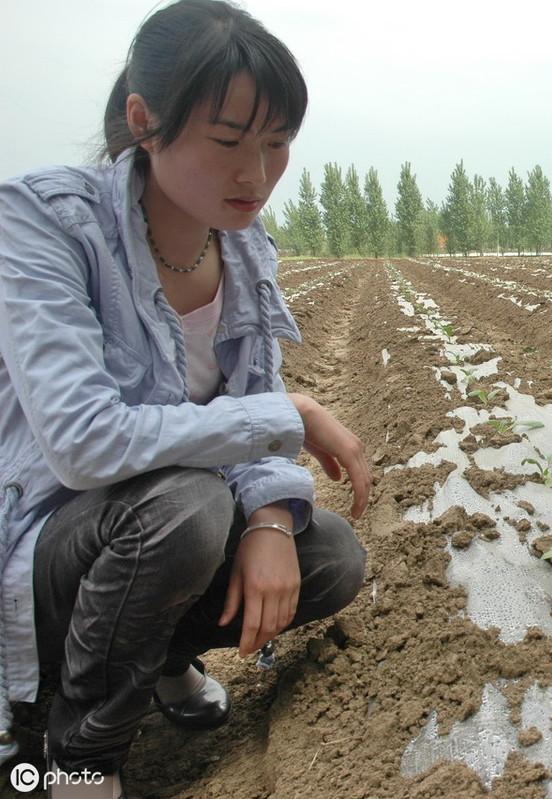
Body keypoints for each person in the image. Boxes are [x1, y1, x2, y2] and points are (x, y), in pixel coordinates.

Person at [0, 2, 369, 795]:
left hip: (155, 534)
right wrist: (289, 417)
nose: (256, 174)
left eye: (277, 145)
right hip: (55, 548)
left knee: (327, 556)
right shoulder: (45, 221)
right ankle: (70, 753)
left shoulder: (244, 243)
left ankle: (163, 659)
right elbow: (83, 442)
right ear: (145, 120)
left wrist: (271, 519)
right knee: (188, 505)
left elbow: (253, 394)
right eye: (229, 142)